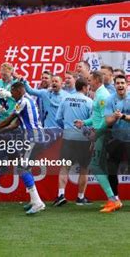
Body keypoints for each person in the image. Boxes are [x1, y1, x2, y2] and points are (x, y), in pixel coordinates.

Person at [0, 82, 46, 215]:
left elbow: (9, 120)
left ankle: (37, 202)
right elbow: (16, 124)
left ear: (19, 90)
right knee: (24, 167)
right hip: (34, 137)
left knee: (21, 167)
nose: (11, 95)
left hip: (32, 138)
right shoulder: (27, 101)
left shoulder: (23, 102)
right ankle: (33, 200)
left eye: (13, 92)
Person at [74, 71, 121, 213]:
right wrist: (84, 122)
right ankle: (113, 199)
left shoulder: (102, 96)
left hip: (103, 135)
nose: (88, 83)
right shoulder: (100, 94)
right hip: (101, 134)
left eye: (90, 80)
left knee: (94, 165)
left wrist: (96, 134)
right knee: (101, 166)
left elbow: (105, 121)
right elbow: (96, 117)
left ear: (96, 80)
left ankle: (113, 199)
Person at [55, 78, 93, 206]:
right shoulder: (89, 101)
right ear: (84, 88)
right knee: (84, 169)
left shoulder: (65, 99)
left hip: (68, 138)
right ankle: (80, 198)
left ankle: (60, 195)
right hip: (84, 139)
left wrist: (67, 127)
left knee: (64, 167)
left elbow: (58, 118)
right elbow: (93, 121)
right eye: (88, 87)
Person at [104, 74, 130, 208]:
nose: (120, 85)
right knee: (111, 169)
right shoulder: (110, 100)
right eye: (118, 83)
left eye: (122, 83)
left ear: (126, 85)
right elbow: (107, 121)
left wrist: (123, 116)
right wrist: (115, 117)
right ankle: (115, 200)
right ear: (114, 86)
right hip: (116, 139)